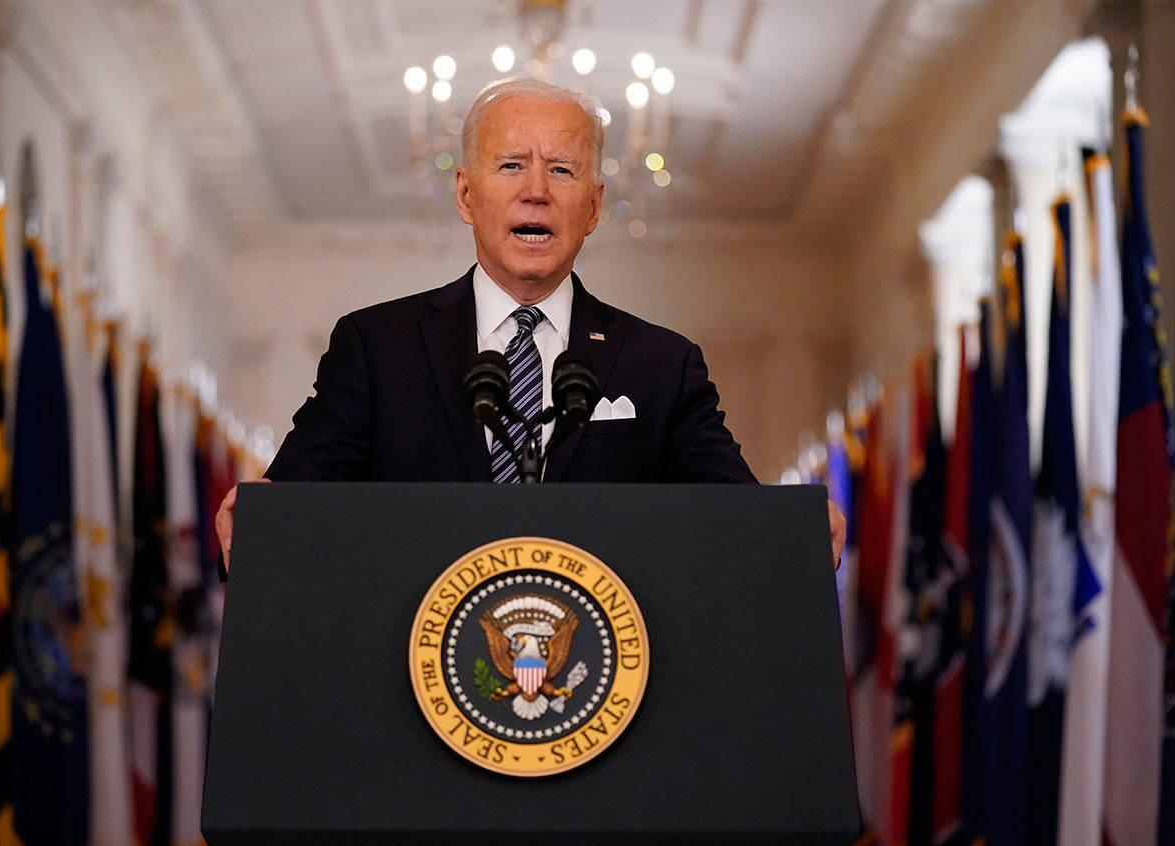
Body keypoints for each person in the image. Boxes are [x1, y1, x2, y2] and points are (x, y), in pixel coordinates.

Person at [215, 77, 846, 567]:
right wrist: (259, 516)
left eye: (563, 170)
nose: (536, 191)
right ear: (466, 194)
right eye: (512, 164)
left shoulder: (662, 365)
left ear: (594, 205)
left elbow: (738, 517)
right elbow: (291, 510)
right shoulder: (377, 350)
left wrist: (796, 531)